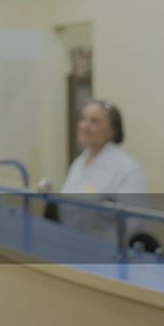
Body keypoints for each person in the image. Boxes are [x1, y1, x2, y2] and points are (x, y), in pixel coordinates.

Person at [59, 100, 149, 241]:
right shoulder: (78, 162)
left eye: (94, 121)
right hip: (72, 243)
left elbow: (133, 222)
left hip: (107, 249)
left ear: (112, 131)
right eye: (83, 118)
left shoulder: (127, 168)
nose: (84, 126)